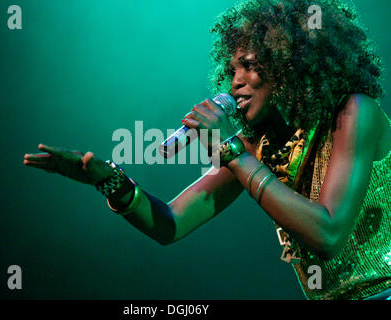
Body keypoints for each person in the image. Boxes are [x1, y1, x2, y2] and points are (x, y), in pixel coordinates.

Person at [23, 0, 391, 300]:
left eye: (249, 67)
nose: (235, 83)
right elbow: (171, 224)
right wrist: (110, 182)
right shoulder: (253, 145)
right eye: (231, 70)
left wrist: (230, 149)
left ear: (291, 65)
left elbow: (328, 235)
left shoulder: (354, 113)